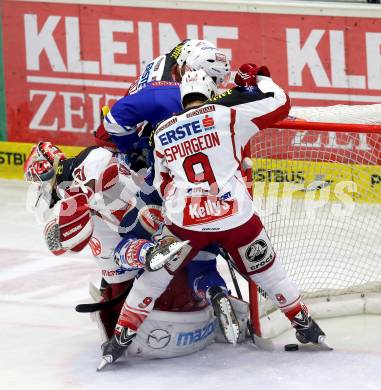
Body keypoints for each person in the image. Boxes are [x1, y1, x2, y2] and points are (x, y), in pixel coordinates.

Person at [97, 64, 330, 370]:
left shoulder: (163, 132)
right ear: (210, 92)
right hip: (237, 219)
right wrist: (257, 79)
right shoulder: (228, 113)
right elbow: (280, 101)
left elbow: (159, 183)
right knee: (269, 273)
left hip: (186, 223)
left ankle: (118, 343)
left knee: (152, 281)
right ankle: (305, 325)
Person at [24, 142, 245, 359]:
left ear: (44, 170)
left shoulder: (82, 167)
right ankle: (213, 290)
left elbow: (100, 160)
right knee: (199, 263)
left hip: (145, 231)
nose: (41, 191)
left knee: (123, 256)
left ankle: (149, 254)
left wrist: (82, 190)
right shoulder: (76, 184)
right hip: (176, 223)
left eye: (37, 183)